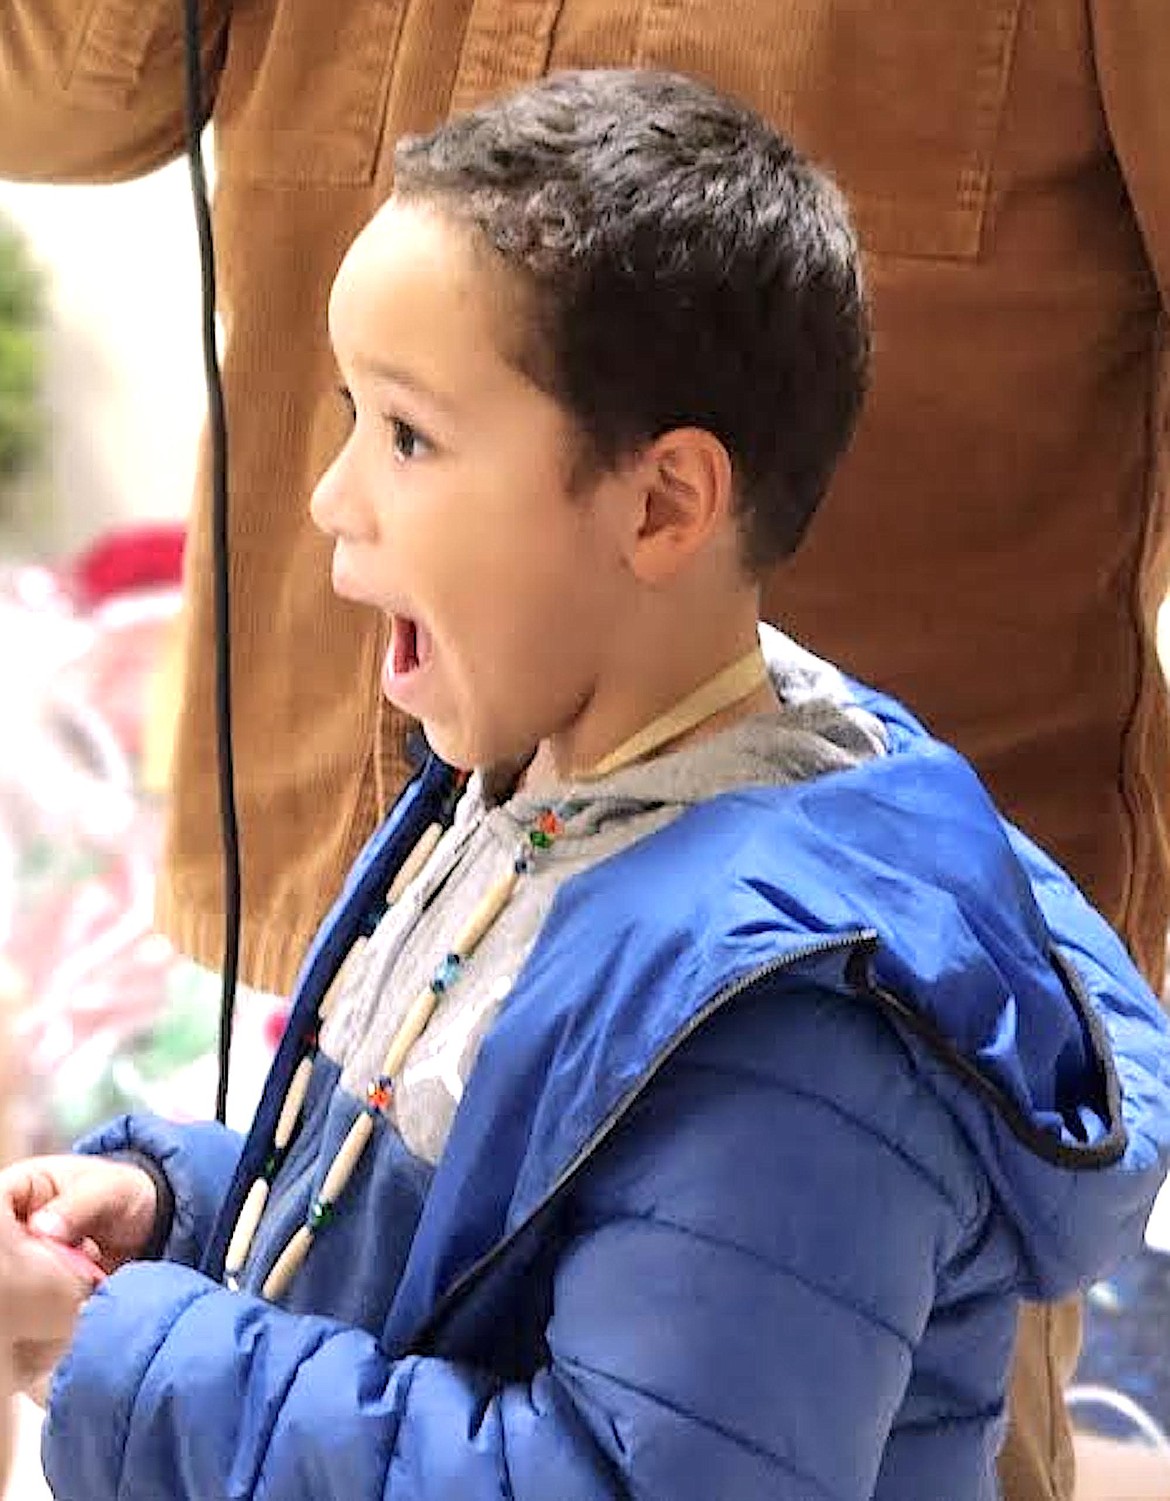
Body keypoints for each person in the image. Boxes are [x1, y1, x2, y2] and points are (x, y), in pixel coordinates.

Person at [0, 6, 1167, 1498]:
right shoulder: (522, 797)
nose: (330, 500)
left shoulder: (791, 1039)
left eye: (406, 437)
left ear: (663, 507)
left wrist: (134, 1340)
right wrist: (176, 1217)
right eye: (349, 413)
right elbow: (461, 1246)